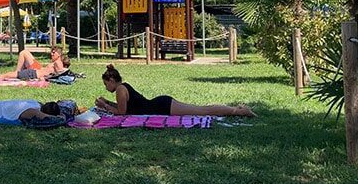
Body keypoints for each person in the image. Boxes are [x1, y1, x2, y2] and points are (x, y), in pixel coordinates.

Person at [96, 64, 256, 117]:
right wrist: (107, 102)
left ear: (112, 81)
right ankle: (236, 110)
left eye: (106, 84)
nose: (106, 88)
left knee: (202, 111)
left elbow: (122, 112)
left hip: (162, 106)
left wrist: (105, 106)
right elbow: (125, 107)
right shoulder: (123, 87)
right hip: (160, 104)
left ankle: (238, 111)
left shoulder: (120, 90)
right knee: (201, 109)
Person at [0, 45, 68, 82]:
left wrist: (44, 78)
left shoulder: (58, 62)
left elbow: (60, 73)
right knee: (23, 53)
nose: (51, 54)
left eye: (54, 53)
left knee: (7, 75)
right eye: (51, 52)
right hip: (35, 72)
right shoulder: (56, 62)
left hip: (33, 73)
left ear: (59, 54)